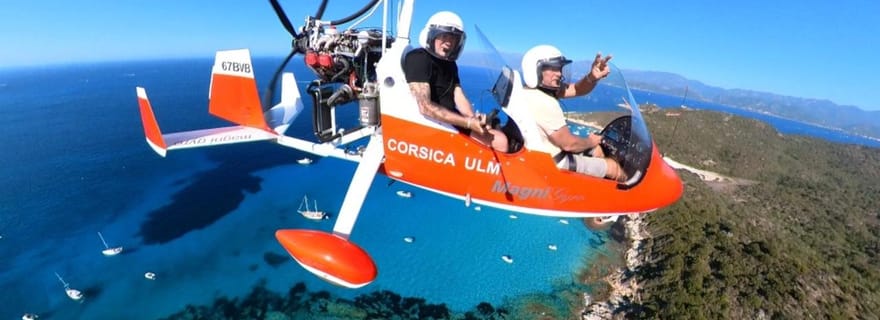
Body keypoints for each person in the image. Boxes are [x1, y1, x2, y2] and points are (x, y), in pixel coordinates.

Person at [403, 11, 508, 152]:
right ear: (432, 35)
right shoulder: (418, 59)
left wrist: (473, 118)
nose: (449, 42)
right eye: (444, 36)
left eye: (453, 38)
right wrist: (468, 123)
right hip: (432, 123)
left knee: (492, 128)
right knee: (501, 142)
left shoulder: (450, 64)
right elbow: (425, 107)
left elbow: (458, 95)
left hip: (447, 117)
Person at [520, 44, 625, 181]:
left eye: (559, 68)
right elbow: (569, 144)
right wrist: (590, 141)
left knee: (597, 151)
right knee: (613, 168)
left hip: (542, 154)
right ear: (535, 71)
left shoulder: (529, 91)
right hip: (555, 162)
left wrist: (592, 77)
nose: (559, 73)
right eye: (552, 68)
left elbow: (576, 89)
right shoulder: (545, 102)